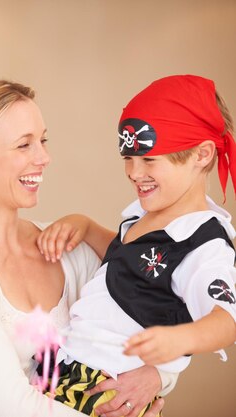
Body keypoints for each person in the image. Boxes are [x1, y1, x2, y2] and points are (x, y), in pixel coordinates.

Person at [0, 80, 171, 417]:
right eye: (24, 145)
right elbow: (15, 405)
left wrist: (158, 376)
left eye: (42, 141)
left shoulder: (67, 247)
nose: (44, 157)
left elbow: (153, 311)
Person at [37, 75, 236, 416]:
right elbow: (124, 259)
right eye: (128, 158)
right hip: (68, 369)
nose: (133, 172)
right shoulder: (145, 216)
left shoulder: (203, 243)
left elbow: (227, 320)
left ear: (202, 154)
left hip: (105, 388)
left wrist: (181, 340)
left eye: (149, 160)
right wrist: (84, 226)